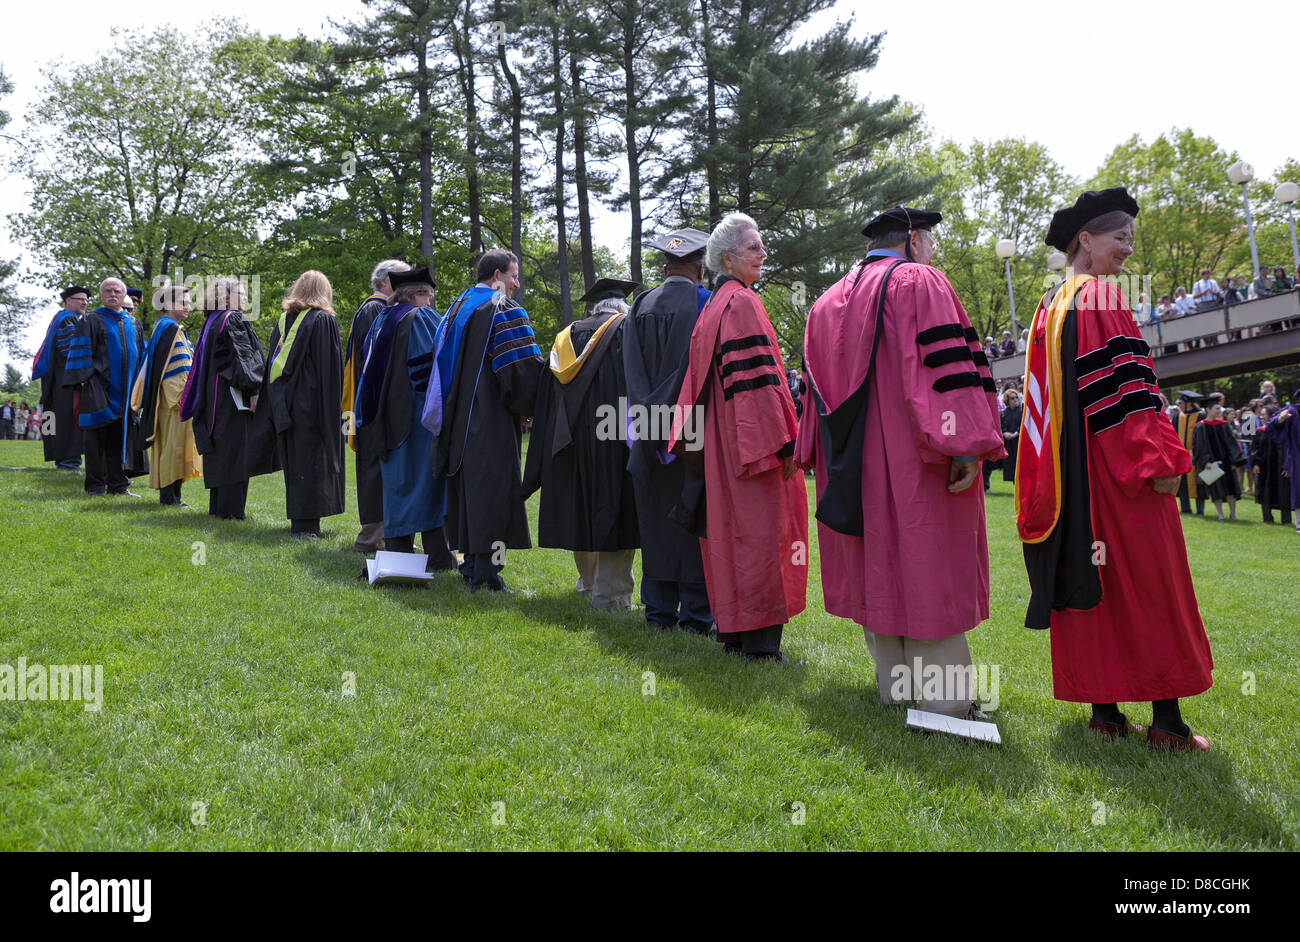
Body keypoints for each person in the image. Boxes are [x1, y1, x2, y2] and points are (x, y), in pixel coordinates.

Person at [1018, 186, 1213, 752]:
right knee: (1151, 584)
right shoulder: (1102, 296)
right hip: (1118, 471)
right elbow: (1128, 393)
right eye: (1119, 237)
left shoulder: (1050, 304)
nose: (1128, 249)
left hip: (1070, 481)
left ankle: (1105, 714)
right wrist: (1160, 458)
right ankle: (1168, 723)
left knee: (1093, 581)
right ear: (1086, 239)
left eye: (1130, 238)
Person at [797, 205, 1002, 712]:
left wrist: (811, 453)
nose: (932, 251)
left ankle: (896, 688)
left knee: (877, 566)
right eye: (929, 240)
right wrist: (964, 444)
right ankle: (945, 702)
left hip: (848, 466)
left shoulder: (824, 304)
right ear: (913, 239)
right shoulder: (919, 280)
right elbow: (946, 369)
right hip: (915, 457)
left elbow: (811, 398)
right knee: (928, 562)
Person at [669, 212, 806, 661]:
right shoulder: (742, 303)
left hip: (719, 443)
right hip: (752, 441)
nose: (763, 253)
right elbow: (759, 383)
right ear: (728, 257)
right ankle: (762, 646)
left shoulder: (713, 305)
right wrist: (784, 441)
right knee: (763, 534)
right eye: (754, 247)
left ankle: (734, 637)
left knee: (729, 536)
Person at [425, 249, 544, 591]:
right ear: (496, 276)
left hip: (457, 419)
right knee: (493, 493)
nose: (516, 284)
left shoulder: (455, 308)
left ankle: (472, 566)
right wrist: (531, 406)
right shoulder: (502, 309)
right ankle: (488, 575)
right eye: (512, 276)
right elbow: (518, 369)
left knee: (470, 493)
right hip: (489, 417)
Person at [523, 277, 641, 611]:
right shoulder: (626, 330)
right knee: (616, 509)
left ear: (594, 307)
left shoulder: (567, 337)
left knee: (582, 507)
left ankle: (588, 582)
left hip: (570, 439)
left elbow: (548, 396)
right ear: (621, 307)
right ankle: (612, 595)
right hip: (613, 435)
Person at [620, 228, 716, 636]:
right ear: (699, 268)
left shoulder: (640, 303)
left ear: (666, 266)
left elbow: (629, 368)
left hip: (645, 427)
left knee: (654, 514)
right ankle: (696, 614)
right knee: (692, 513)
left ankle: (658, 609)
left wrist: (646, 412)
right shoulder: (706, 303)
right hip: (690, 427)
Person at [355, 266, 456, 568]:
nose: (430, 302)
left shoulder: (382, 319)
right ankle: (438, 556)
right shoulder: (420, 318)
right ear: (417, 294)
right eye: (428, 296)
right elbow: (432, 371)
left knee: (398, 485)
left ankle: (399, 552)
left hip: (385, 418)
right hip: (417, 416)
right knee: (426, 484)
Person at [262, 270, 346, 538]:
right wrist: (334, 410)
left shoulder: (283, 321)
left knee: (296, 461)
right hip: (312, 404)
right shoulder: (322, 321)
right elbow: (329, 370)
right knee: (313, 461)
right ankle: (307, 526)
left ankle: (302, 522)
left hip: (286, 403)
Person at [179, 277, 268, 520]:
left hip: (214, 398)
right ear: (225, 296)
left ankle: (219, 509)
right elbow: (243, 359)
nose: (246, 299)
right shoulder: (233, 319)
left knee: (220, 450)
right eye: (241, 293)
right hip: (232, 398)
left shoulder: (212, 320)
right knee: (234, 451)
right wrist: (254, 389)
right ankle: (231, 512)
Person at [341, 259, 409, 554]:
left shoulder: (371, 308)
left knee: (377, 469)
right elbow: (378, 360)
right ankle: (371, 538)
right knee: (374, 471)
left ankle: (384, 536)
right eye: (404, 279)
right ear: (385, 281)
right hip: (372, 405)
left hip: (370, 404)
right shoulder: (374, 309)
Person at [68, 277, 148, 496]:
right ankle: (94, 486)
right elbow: (81, 354)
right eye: (108, 291)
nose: (113, 294)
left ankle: (118, 485)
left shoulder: (133, 322)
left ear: (123, 295)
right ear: (101, 295)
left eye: (117, 291)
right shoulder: (90, 320)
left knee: (119, 439)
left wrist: (141, 387)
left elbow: (141, 355)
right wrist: (86, 384)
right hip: (98, 388)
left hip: (127, 392)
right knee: (95, 441)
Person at [128, 284, 200, 506]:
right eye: (184, 302)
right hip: (174, 402)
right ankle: (169, 497)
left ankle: (174, 496)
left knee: (174, 447)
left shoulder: (167, 328)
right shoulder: (170, 329)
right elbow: (175, 372)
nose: (189, 306)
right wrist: (183, 397)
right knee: (173, 447)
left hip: (173, 401)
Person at [1192, 399, 1243, 521]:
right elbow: (1199, 446)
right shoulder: (1200, 427)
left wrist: (1234, 461)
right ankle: (1220, 514)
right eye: (1216, 408)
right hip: (1211, 463)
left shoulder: (1223, 425)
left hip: (1226, 462)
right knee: (1216, 489)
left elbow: (1231, 444)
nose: (1219, 411)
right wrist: (1205, 462)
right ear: (1208, 410)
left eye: (1219, 409)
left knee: (1231, 488)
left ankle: (1233, 513)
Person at [1265, 391, 1300, 532]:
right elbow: (1271, 426)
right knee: (1299, 488)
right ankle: (1299, 523)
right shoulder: (1292, 411)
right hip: (1297, 456)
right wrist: (1281, 419)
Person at [1251, 406, 1292, 525]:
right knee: (1264, 491)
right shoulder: (1260, 430)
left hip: (1280, 467)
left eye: (1264, 414)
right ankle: (1267, 518)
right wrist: (1256, 464)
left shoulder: (1284, 431)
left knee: (1284, 492)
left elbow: (1288, 450)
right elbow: (1255, 449)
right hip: (1264, 467)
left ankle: (1286, 519)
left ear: (1272, 415)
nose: (1261, 416)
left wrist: (1287, 466)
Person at [1171, 390, 1206, 515]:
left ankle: (1200, 509)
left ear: (1189, 404)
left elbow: (1204, 437)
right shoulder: (1177, 416)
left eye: (1180, 402)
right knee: (1183, 483)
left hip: (1196, 455)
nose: (1178, 405)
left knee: (1198, 482)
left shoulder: (1201, 416)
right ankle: (1185, 508)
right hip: (1181, 455)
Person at [1001, 387, 1022, 482]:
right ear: (1007, 400)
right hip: (1009, 442)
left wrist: (1016, 433)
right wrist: (1005, 433)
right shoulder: (1004, 413)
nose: (1015, 400)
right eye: (1012, 398)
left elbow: (1022, 424)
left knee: (1020, 463)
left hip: (1019, 441)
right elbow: (1002, 425)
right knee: (1010, 463)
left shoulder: (1022, 410)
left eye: (1016, 397)